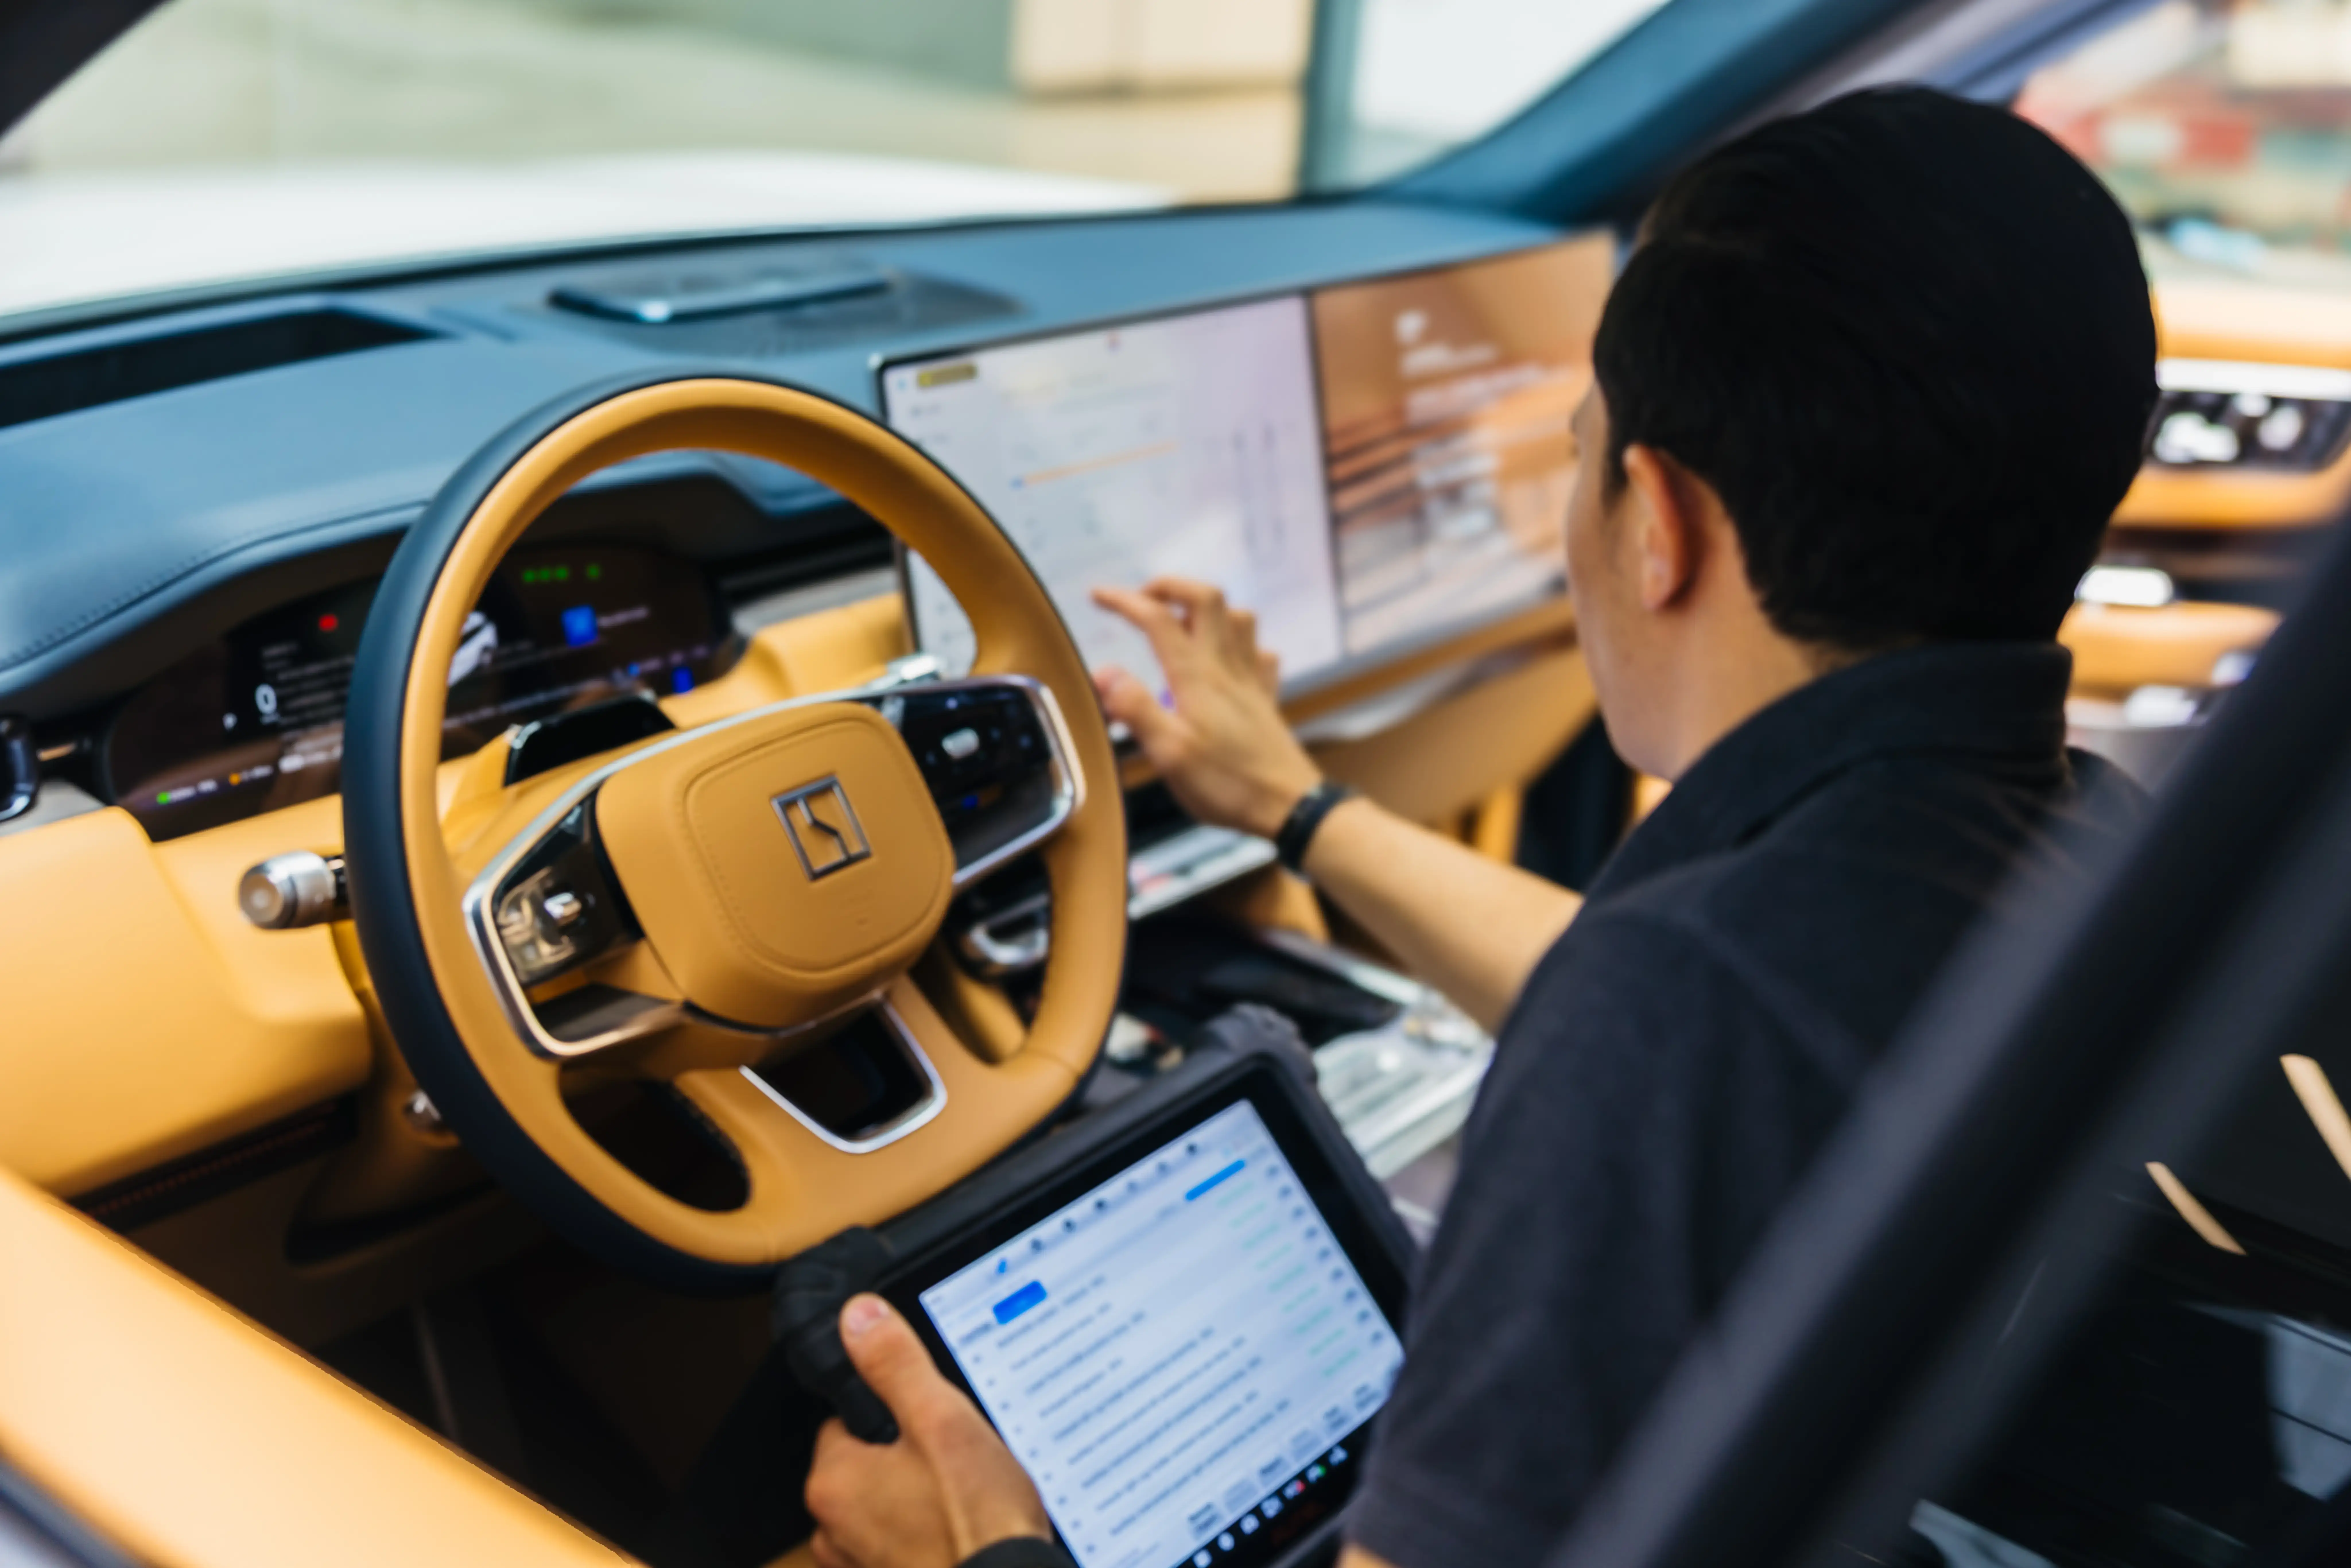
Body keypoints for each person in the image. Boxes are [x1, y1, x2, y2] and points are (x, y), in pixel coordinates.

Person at [799, 85, 2157, 1568]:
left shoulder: (1685, 1015)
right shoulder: (2060, 845)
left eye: (1579, 454)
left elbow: (1670, 1018)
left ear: (1657, 518)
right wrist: (1296, 809)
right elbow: (1683, 995)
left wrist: (986, 1551)